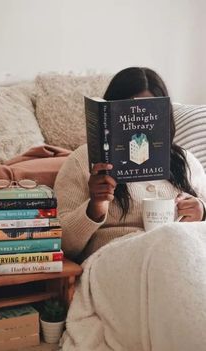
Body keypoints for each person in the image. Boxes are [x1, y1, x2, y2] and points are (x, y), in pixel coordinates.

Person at [54, 67, 206, 264]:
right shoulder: (83, 160)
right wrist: (95, 206)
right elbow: (63, 244)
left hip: (179, 257)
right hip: (114, 262)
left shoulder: (185, 161)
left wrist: (201, 211)